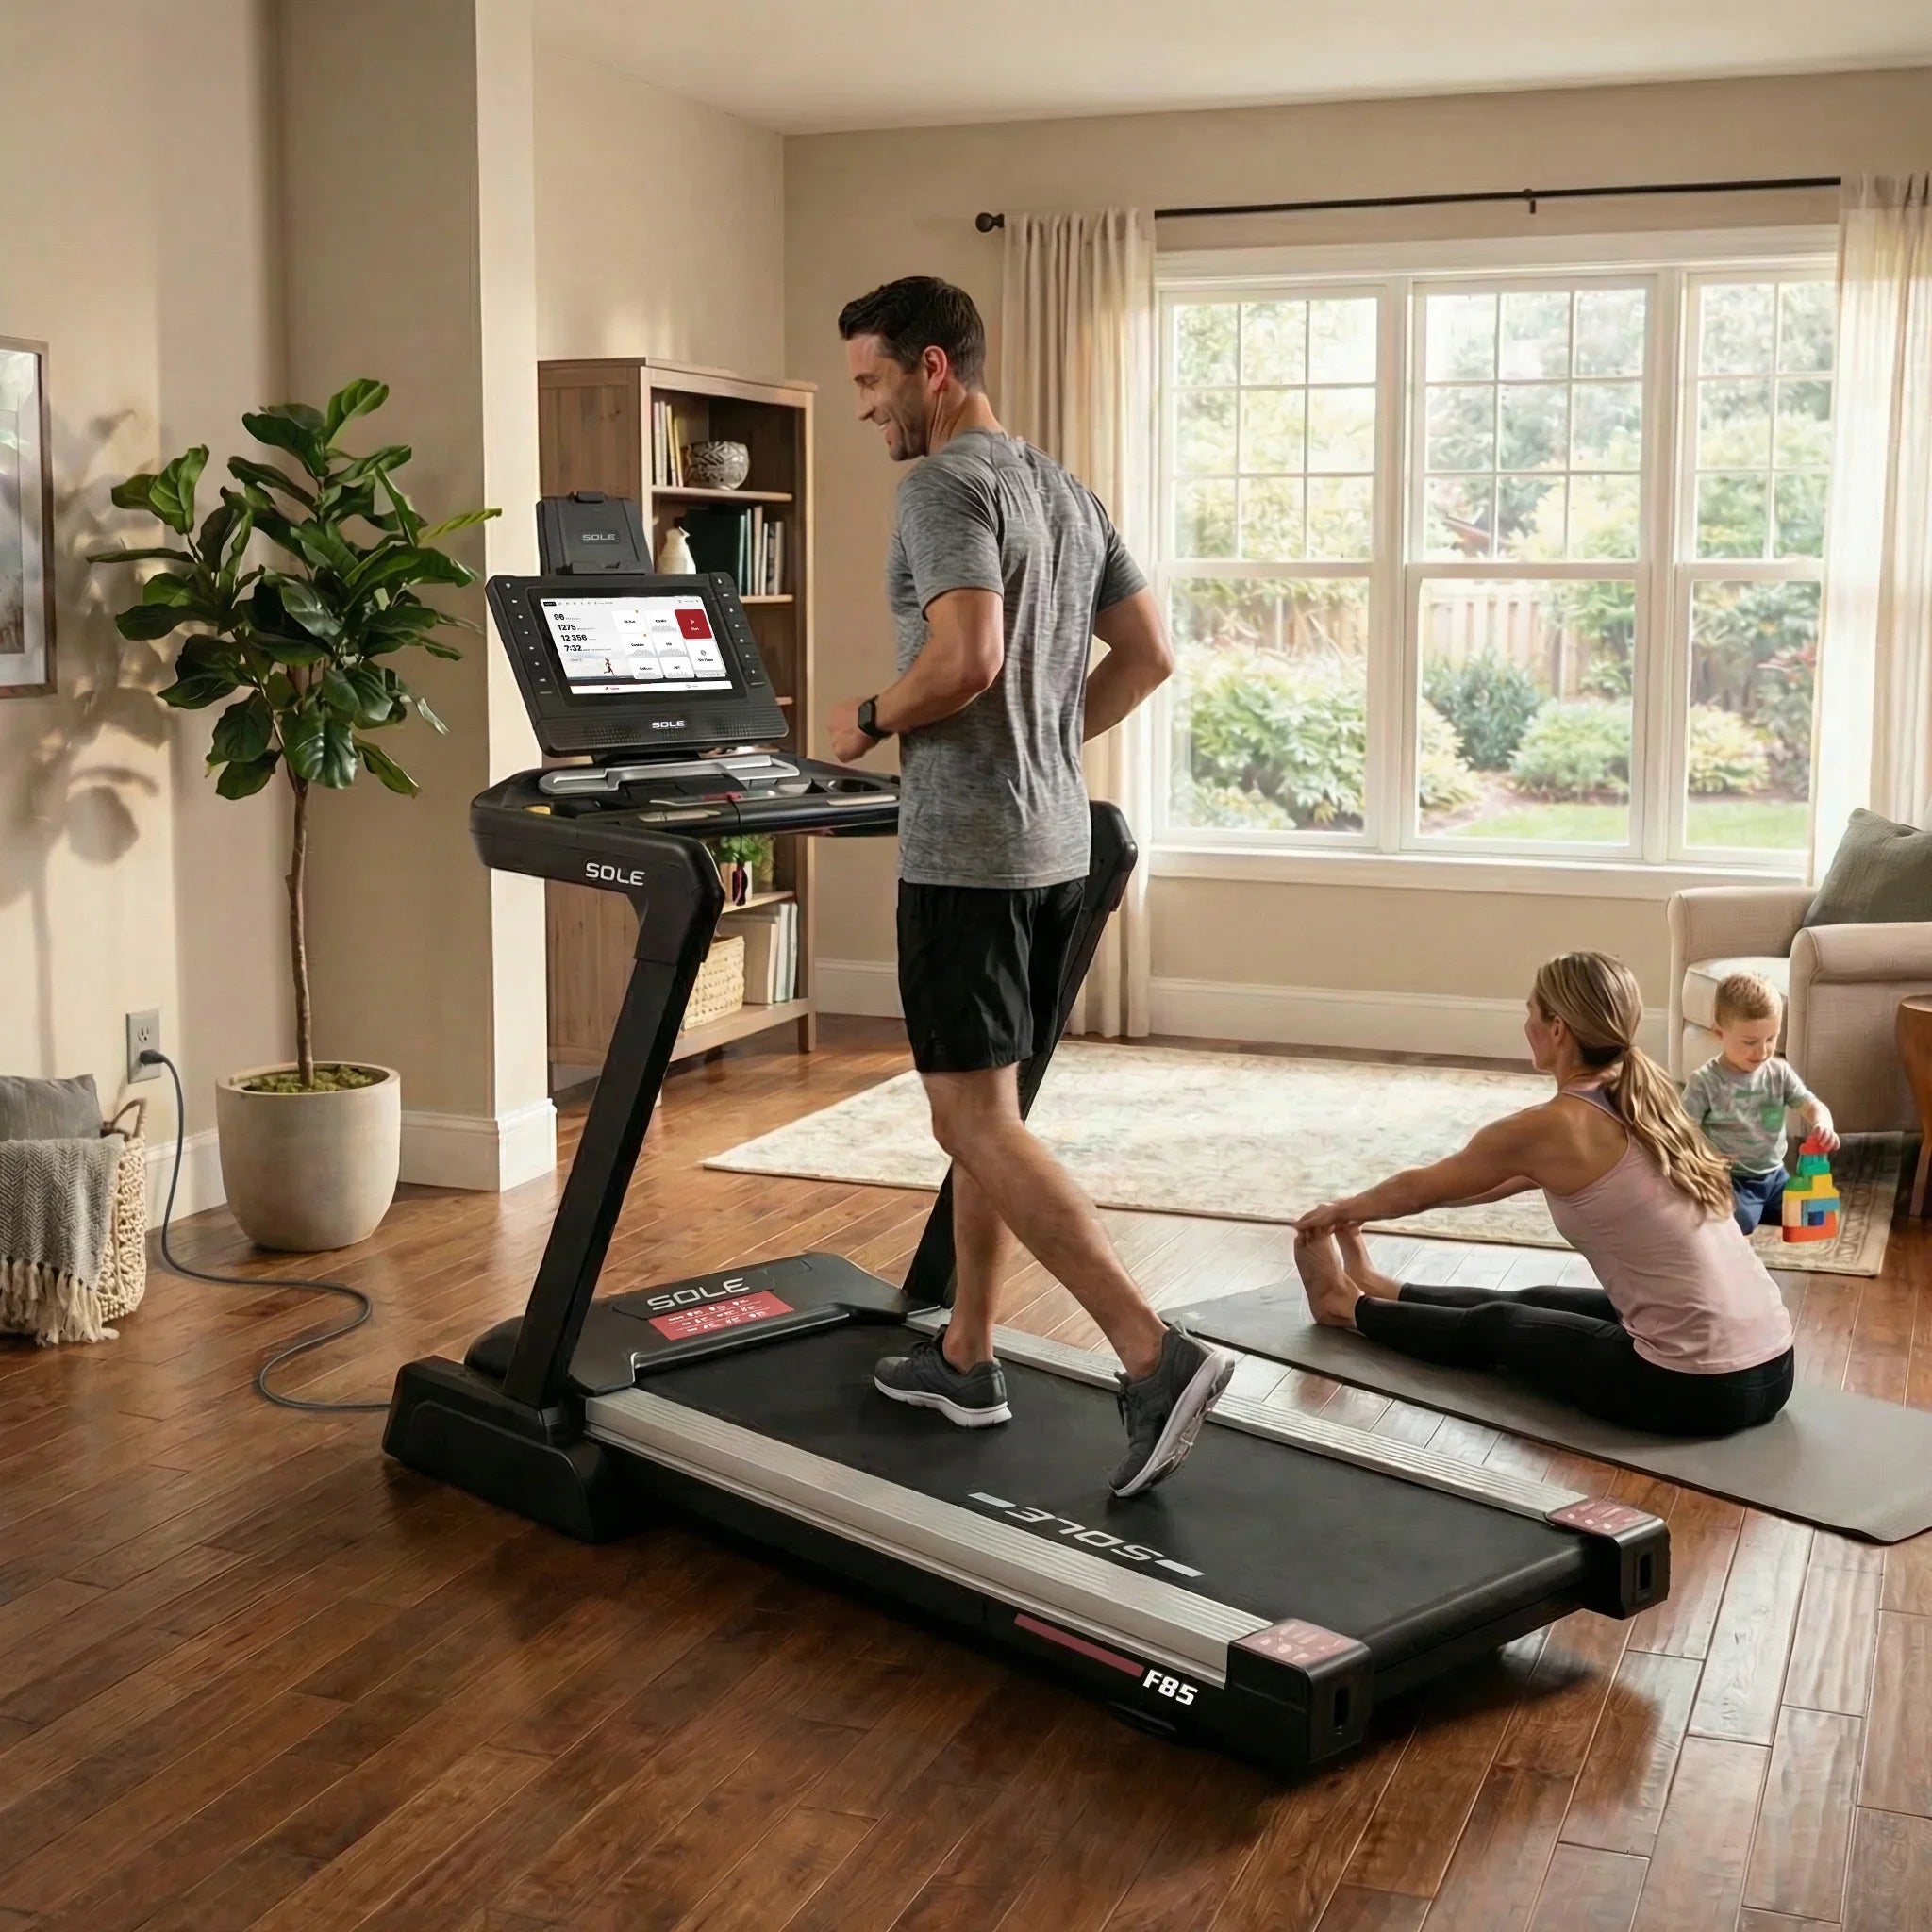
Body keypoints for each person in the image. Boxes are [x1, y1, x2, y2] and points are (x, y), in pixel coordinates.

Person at [824, 275, 1234, 1497]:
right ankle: (965, 1355)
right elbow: (1151, 655)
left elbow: (963, 660)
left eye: (870, 381)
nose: (865, 409)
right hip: (1057, 841)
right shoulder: (1061, 487)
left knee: (971, 1121)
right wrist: (1049, 746)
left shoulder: (944, 485)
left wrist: (862, 719)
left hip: (966, 855)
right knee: (993, 1118)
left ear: (933, 369)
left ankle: (1154, 1356)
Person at [1292, 951, 1795, 1437]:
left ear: (1557, 1029)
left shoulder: (1556, 1125)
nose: (1526, 1024)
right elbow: (1482, 1182)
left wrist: (1342, 1211)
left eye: (1530, 1013)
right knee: (1544, 1299)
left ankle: (1344, 1307)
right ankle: (1381, 1287)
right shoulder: (1647, 1095)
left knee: (1500, 1324)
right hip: (1776, 1366)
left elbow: (1425, 1187)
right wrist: (1365, 1215)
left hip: (1693, 1389)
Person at [1681, 971, 1839, 1235]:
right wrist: (1706, 1154)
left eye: (1771, 1038)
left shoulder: (1779, 1072)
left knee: (1815, 1217)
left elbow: (1812, 1105)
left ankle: (1763, 1206)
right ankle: (1717, 1205)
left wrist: (1823, 1123)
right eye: (1750, 1042)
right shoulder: (1706, 1081)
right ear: (1719, 1033)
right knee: (1740, 1222)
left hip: (1776, 1175)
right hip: (1731, 1179)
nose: (1763, 1051)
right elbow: (1681, 1129)